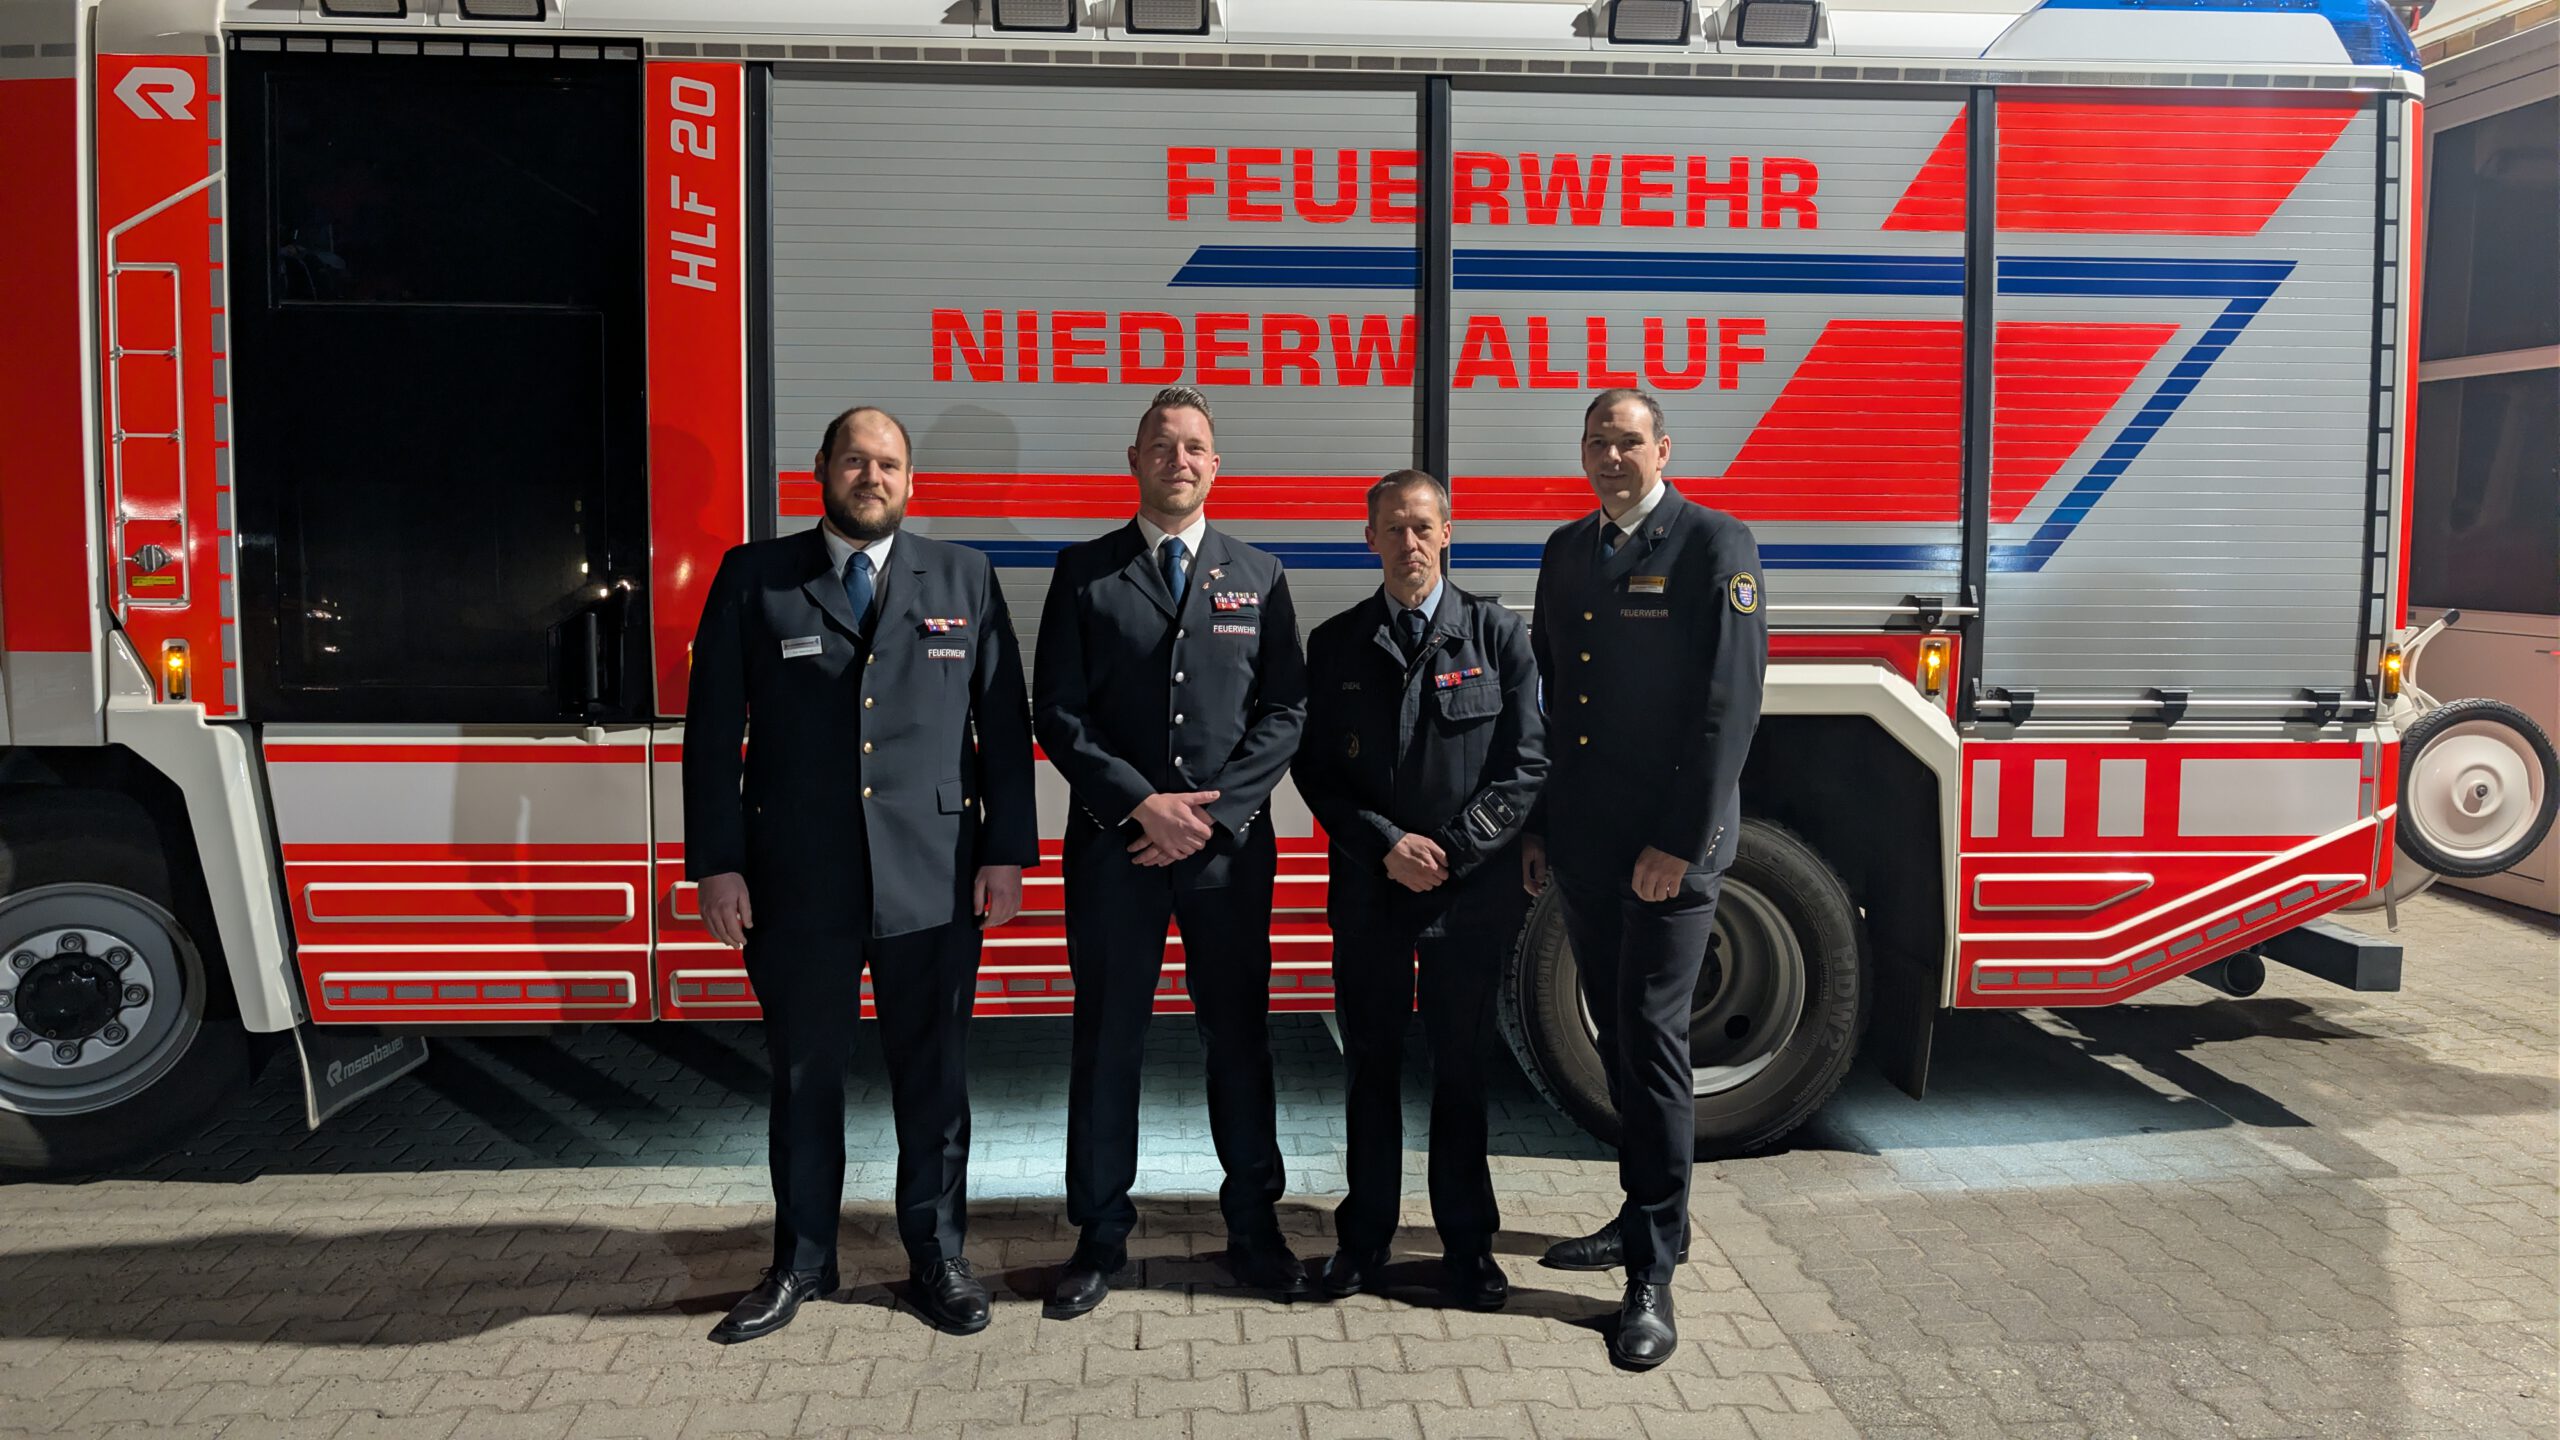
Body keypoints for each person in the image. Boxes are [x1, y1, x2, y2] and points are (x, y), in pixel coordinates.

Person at [685, 405, 1038, 1343]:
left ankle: (939, 1258)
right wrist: (718, 865)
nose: (871, 477)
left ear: (911, 481)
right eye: (854, 461)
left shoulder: (964, 575)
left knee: (936, 1079)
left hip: (936, 876)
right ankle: (801, 1261)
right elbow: (712, 735)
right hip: (797, 881)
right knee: (805, 1079)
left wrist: (1006, 853)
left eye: (887, 464)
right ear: (821, 469)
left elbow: (1003, 727)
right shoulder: (756, 577)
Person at [1032, 385, 1310, 1317]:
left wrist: (1212, 817)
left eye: (1193, 446)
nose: (1178, 459)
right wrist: (1141, 807)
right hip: (1115, 852)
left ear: (1215, 465)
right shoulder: (1084, 573)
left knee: (1239, 1040)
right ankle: (1099, 1234)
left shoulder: (1260, 574)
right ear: (1134, 461)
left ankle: (1255, 1229)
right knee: (1107, 1040)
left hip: (1228, 858)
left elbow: (1286, 710)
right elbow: (1057, 712)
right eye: (1161, 445)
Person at [1521, 388, 1768, 1369]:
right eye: (1597, 441)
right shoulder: (1565, 551)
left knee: (1655, 1043)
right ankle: (1646, 1215)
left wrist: (1677, 841)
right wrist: (1539, 827)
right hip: (1586, 843)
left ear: (1663, 448)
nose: (1610, 455)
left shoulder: (1714, 544)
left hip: (1671, 851)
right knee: (1618, 1039)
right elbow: (1549, 699)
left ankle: (1651, 1274)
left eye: (1627, 440)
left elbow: (1728, 705)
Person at [1292, 470, 1547, 1311]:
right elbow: (1315, 770)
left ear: (1448, 534)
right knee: (1369, 1067)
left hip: (1465, 898)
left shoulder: (1497, 635)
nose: (1409, 542)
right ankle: (1363, 1241)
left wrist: (1451, 851)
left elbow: (1526, 763)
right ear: (1370, 539)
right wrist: (1385, 845)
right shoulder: (1335, 643)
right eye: (1394, 528)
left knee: (1461, 1071)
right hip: (1371, 892)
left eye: (1423, 526)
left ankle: (1467, 1248)